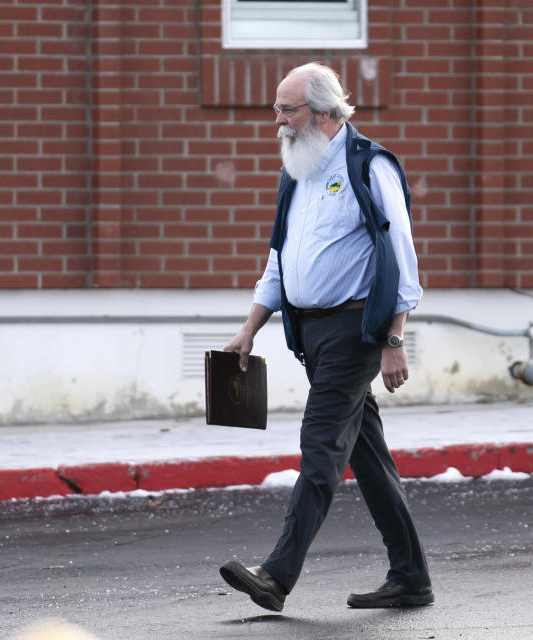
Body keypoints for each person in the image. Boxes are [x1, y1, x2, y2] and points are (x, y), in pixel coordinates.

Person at [218, 62, 433, 612]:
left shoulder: (369, 166)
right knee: (368, 454)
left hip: (356, 328)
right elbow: (279, 259)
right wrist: (249, 330)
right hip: (310, 333)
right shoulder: (299, 169)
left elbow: (401, 254)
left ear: (323, 112)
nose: (278, 122)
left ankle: (277, 575)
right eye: (276, 109)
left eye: (286, 110)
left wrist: (394, 338)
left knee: (320, 446)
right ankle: (410, 575)